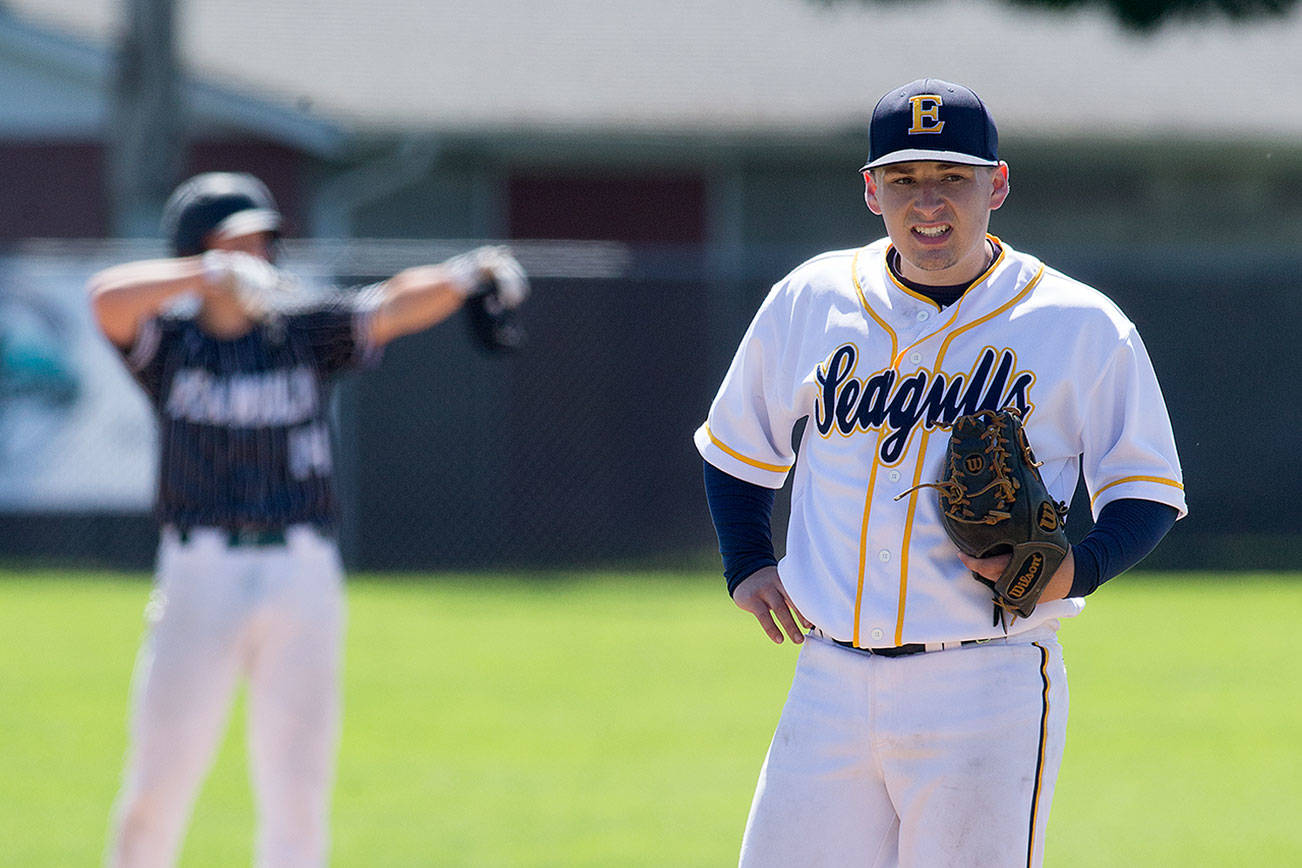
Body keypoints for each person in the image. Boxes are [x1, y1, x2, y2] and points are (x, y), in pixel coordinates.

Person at [695, 79, 1186, 867]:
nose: (929, 204)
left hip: (985, 679)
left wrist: (1078, 570)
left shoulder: (1079, 323)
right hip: (828, 678)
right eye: (904, 180)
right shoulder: (811, 299)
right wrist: (746, 559)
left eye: (953, 179)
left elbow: (1149, 489)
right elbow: (735, 445)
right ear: (870, 190)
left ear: (996, 184)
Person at [90, 171, 527, 867]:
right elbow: (105, 298)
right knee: (157, 786)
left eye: (262, 241)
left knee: (297, 789)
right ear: (196, 248)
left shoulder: (300, 333)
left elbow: (389, 306)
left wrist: (463, 274)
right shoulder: (170, 346)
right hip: (199, 571)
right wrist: (205, 276)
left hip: (302, 572)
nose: (256, 254)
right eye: (239, 241)